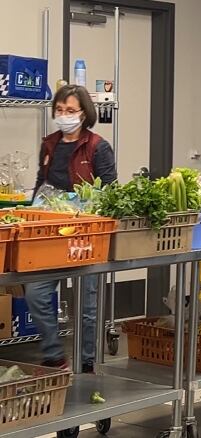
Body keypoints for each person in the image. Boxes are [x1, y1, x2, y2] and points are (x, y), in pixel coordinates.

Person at [25, 84, 117, 372]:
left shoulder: (98, 146)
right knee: (36, 293)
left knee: (87, 307)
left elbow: (111, 191)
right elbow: (42, 181)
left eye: (70, 110)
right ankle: (54, 355)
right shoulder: (49, 144)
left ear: (84, 113)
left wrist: (85, 208)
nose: (64, 115)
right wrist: (32, 211)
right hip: (52, 233)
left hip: (87, 236)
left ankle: (86, 362)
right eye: (59, 110)